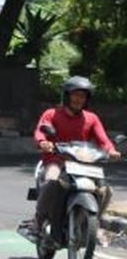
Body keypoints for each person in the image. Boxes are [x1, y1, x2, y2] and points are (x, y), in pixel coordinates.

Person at [29, 76, 121, 240]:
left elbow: (103, 139)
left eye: (82, 96)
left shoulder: (91, 118)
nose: (79, 99)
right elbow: (40, 132)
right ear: (67, 96)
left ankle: (94, 222)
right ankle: (38, 220)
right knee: (52, 181)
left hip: (83, 163)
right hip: (56, 160)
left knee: (105, 190)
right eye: (75, 95)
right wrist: (43, 142)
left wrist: (111, 150)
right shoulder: (51, 114)